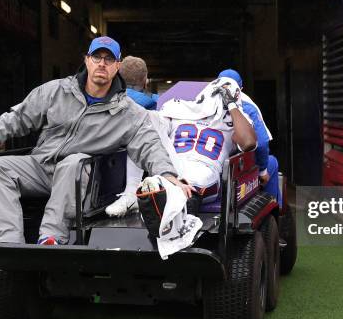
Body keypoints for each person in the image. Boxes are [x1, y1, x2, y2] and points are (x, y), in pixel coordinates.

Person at [0, 36, 191, 245]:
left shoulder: (129, 112)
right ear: (87, 60)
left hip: (81, 178)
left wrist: (168, 175)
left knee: (73, 163)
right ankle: (9, 245)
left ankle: (52, 238)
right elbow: (20, 116)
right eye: (97, 57)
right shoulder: (56, 90)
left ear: (117, 66)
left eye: (109, 59)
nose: (102, 64)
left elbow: (149, 145)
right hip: (42, 166)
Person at [108, 76, 257, 218]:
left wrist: (231, 104)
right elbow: (149, 126)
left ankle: (160, 191)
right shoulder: (182, 110)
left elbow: (249, 142)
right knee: (141, 129)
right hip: (172, 164)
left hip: (204, 171)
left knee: (192, 182)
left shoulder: (236, 123)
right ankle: (131, 194)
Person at [218, 69, 282, 206]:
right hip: (233, 168)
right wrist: (263, 171)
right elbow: (262, 142)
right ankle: (272, 208)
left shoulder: (200, 104)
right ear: (240, 89)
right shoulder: (246, 106)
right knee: (271, 162)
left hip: (208, 167)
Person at [105, 56, 159, 216]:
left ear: (117, 78)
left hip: (103, 182)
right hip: (149, 175)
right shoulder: (160, 103)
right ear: (146, 81)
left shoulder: (101, 102)